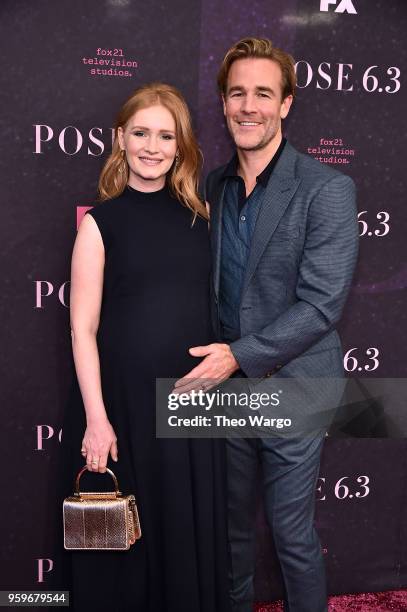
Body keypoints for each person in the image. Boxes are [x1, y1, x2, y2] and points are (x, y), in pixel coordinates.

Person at [174, 38, 359, 611]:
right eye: (237, 93)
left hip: (295, 382)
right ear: (224, 103)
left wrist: (236, 355)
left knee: (291, 535)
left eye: (262, 94)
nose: (248, 106)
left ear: (285, 105)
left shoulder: (325, 188)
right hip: (224, 389)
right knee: (230, 536)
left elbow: (322, 305)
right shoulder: (215, 188)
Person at [59, 83, 230, 612]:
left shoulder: (204, 220)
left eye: (165, 135)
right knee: (122, 545)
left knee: (184, 531)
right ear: (120, 139)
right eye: (140, 133)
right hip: (123, 410)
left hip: (192, 404)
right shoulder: (100, 223)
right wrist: (96, 419)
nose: (152, 146)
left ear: (180, 146)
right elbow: (81, 329)